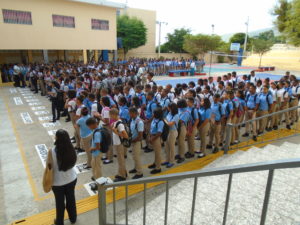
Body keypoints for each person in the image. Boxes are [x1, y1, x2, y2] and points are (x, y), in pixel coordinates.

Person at [48, 129, 77, 225]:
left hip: (57, 182)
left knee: (60, 203)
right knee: (71, 199)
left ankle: (59, 221)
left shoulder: (52, 152)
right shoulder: (72, 149)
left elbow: (49, 166)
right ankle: (73, 218)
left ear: (57, 138)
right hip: (71, 179)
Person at [110, 108, 129, 182]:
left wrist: (116, 132)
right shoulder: (116, 122)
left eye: (110, 115)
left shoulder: (120, 124)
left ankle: (122, 176)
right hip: (117, 143)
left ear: (114, 115)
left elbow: (126, 136)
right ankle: (123, 172)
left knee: (121, 160)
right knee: (120, 159)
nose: (110, 117)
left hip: (119, 144)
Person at [129, 107, 144, 179]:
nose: (129, 114)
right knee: (134, 156)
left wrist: (133, 140)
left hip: (136, 142)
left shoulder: (139, 122)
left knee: (137, 157)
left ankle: (139, 172)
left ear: (134, 113)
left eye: (130, 113)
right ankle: (135, 168)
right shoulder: (132, 120)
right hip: (133, 140)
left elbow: (140, 136)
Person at [148, 108, 164, 174]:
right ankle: (155, 163)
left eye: (154, 113)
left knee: (158, 153)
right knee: (155, 152)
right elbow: (151, 128)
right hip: (152, 136)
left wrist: (152, 139)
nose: (153, 114)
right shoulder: (154, 120)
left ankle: (158, 168)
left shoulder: (160, 122)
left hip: (156, 138)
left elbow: (159, 133)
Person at [163, 103, 179, 168]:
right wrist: (165, 121)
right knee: (167, 147)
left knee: (171, 147)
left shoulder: (176, 116)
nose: (168, 109)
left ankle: (172, 161)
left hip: (173, 132)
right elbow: (166, 120)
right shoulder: (169, 113)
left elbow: (170, 124)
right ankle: (167, 159)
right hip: (168, 131)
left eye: (169, 107)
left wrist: (164, 120)